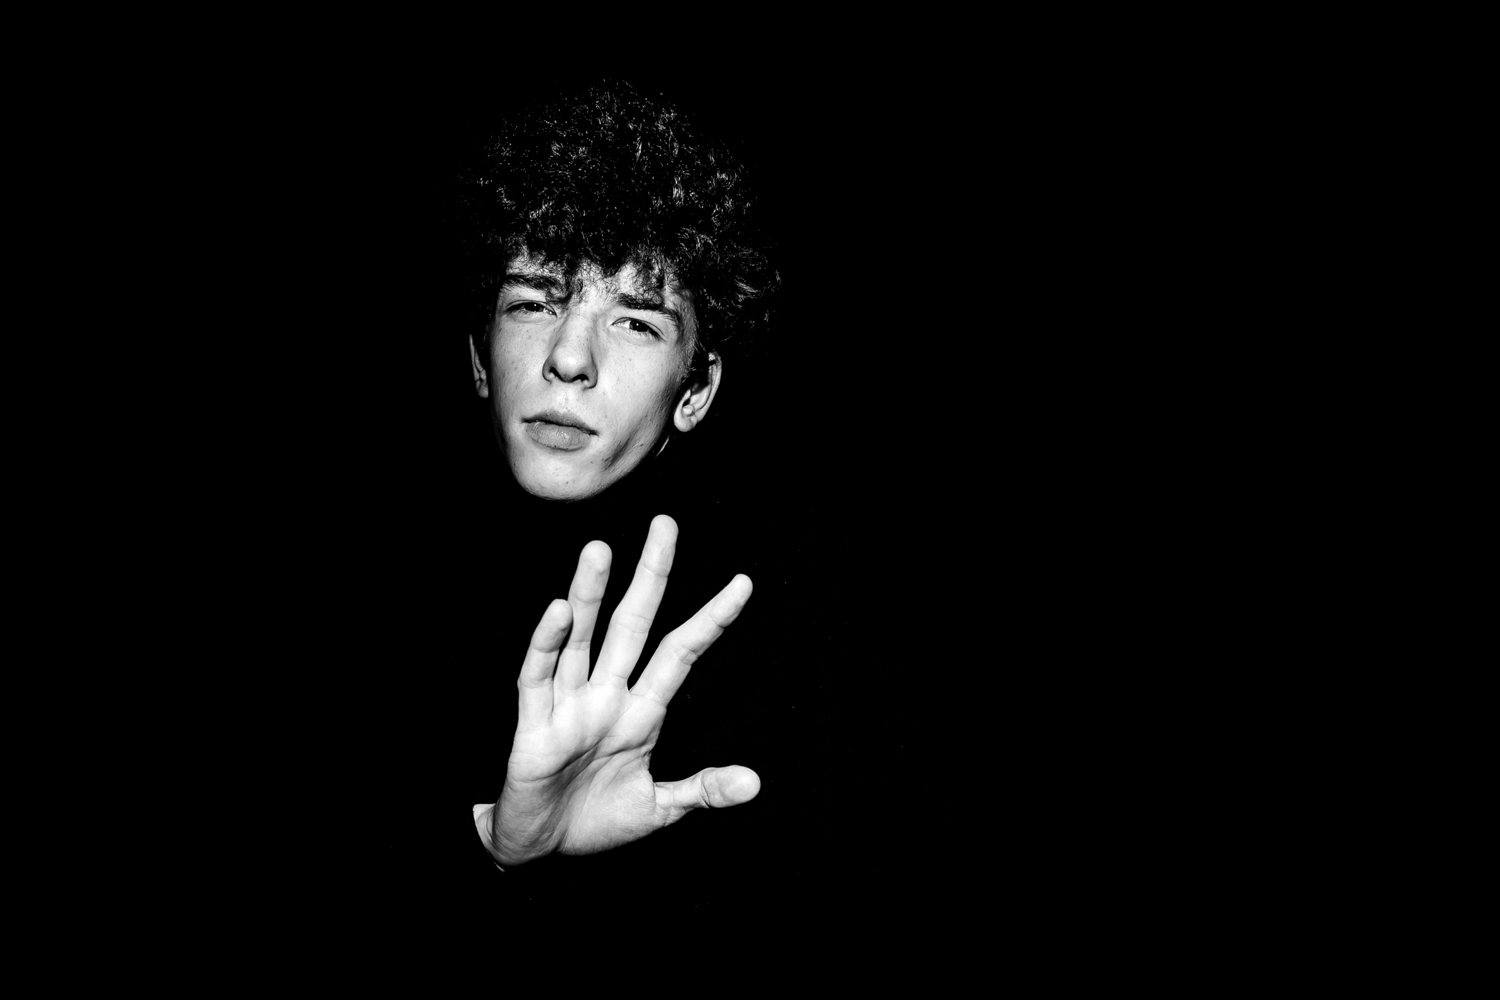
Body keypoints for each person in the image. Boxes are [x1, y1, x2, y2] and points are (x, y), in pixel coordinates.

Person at [445, 82, 782, 872]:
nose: (570, 358)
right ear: (479, 360)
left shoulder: (766, 645)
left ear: (694, 391)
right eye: (534, 303)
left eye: (634, 321)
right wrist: (503, 846)